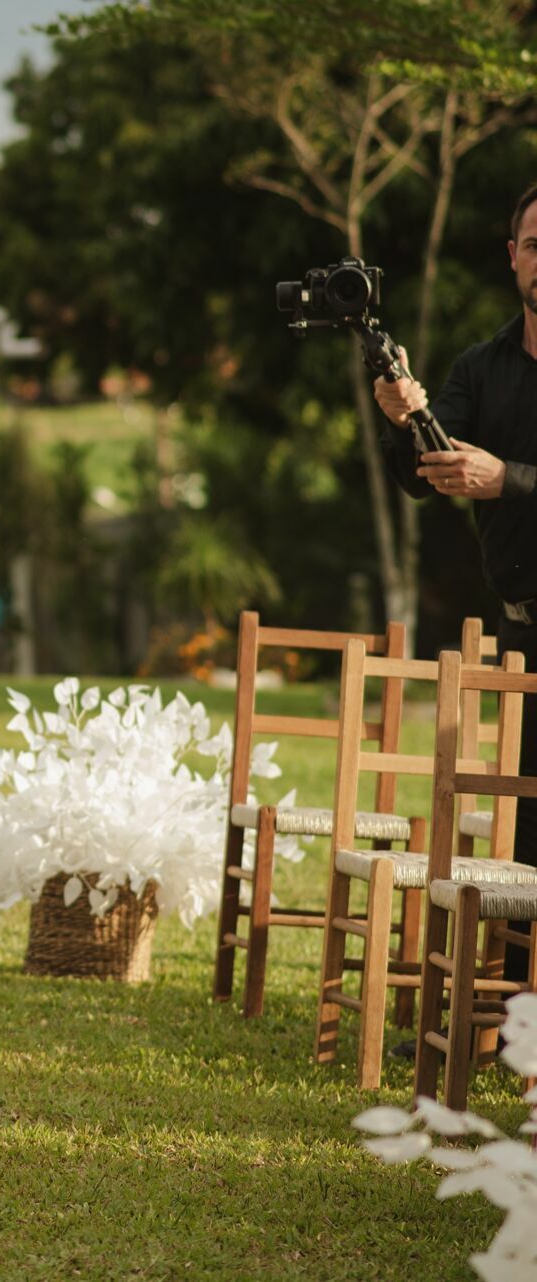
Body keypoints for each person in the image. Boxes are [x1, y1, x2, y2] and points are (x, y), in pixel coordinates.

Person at [374, 180, 537, 969]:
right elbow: (421, 475)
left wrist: (509, 479)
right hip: (520, 633)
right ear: (513, 258)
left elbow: (494, 476)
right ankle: (508, 1016)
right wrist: (408, 421)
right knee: (521, 829)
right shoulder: (481, 365)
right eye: (535, 245)